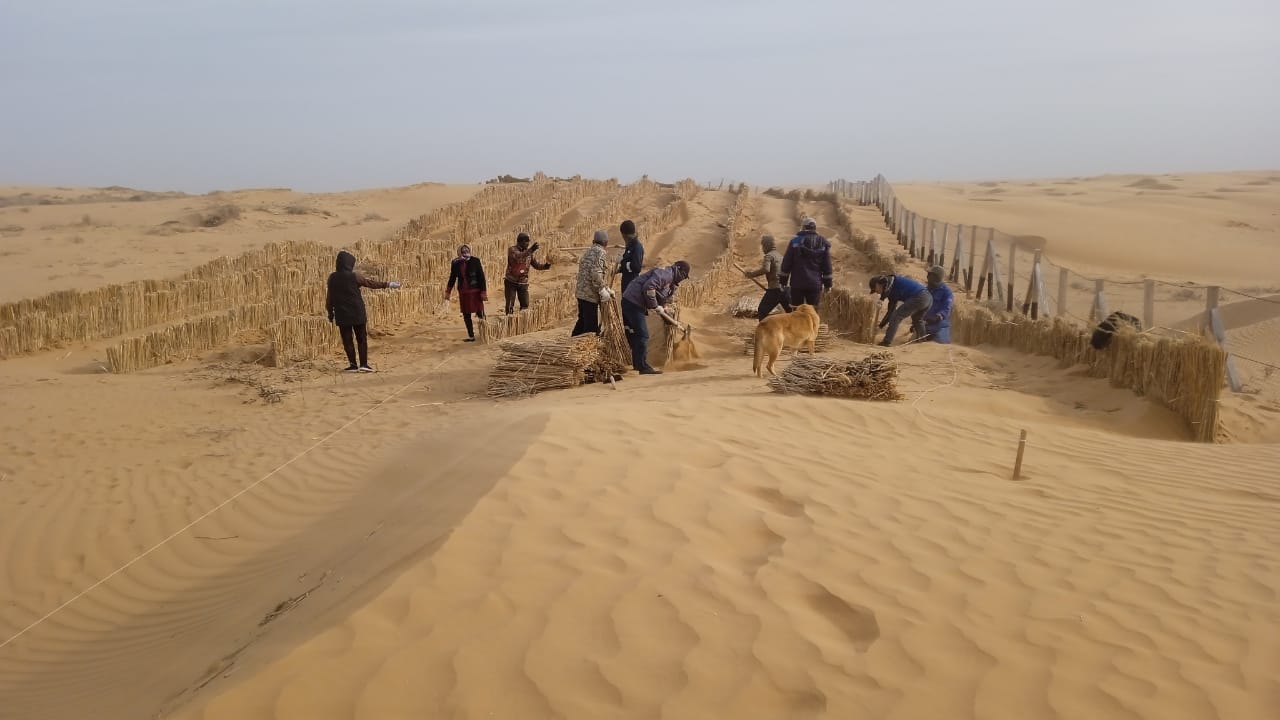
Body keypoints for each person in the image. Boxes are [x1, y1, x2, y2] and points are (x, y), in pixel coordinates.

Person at [326, 249, 401, 372]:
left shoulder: (332, 278)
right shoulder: (354, 276)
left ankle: (352, 365)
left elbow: (329, 299)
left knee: (347, 340)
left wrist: (330, 313)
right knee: (361, 338)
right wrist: (388, 284)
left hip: (342, 314)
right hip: (357, 312)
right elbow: (370, 283)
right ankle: (364, 365)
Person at [620, 260, 691, 375]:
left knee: (637, 335)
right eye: (683, 276)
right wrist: (655, 306)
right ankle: (642, 367)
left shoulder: (671, 282)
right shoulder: (666, 274)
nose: (683, 279)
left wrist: (665, 313)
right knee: (642, 335)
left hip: (635, 302)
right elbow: (649, 288)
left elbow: (662, 298)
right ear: (679, 271)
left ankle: (638, 365)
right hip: (632, 301)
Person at [779, 217, 833, 309]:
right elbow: (827, 266)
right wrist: (828, 284)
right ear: (815, 228)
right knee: (813, 313)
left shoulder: (794, 241)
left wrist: (783, 281)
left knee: (797, 312)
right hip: (815, 284)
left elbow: (786, 263)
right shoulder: (823, 242)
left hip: (797, 284)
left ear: (803, 227)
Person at [870, 273, 932, 347]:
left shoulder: (887, 279)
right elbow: (890, 313)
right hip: (928, 298)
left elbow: (886, 281)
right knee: (917, 319)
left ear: (877, 284)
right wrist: (880, 326)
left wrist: (881, 299)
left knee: (896, 316)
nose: (876, 292)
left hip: (919, 296)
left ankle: (887, 342)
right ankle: (922, 341)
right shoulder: (891, 293)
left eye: (875, 290)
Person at [743, 234, 793, 320]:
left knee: (762, 311)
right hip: (786, 289)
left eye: (762, 246)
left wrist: (751, 274)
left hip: (775, 289)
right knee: (791, 313)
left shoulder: (769, 256)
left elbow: (766, 269)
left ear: (766, 246)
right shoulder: (780, 256)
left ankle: (765, 331)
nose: (762, 249)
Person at [573, 230, 612, 336]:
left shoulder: (587, 252)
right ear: (606, 243)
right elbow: (596, 273)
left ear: (593, 241)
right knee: (590, 328)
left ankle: (571, 344)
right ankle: (584, 349)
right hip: (590, 295)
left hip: (581, 293)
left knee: (582, 322)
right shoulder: (601, 253)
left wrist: (605, 287)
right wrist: (602, 289)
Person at [445, 244, 487, 342]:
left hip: (475, 291)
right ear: (459, 253)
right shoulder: (455, 263)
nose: (465, 253)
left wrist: (483, 292)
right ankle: (471, 336)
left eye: (466, 251)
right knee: (466, 314)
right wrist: (448, 291)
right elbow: (452, 277)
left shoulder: (475, 261)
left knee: (480, 313)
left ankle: (485, 332)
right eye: (463, 251)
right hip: (464, 292)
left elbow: (481, 277)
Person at [503, 232, 551, 314]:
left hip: (523, 283)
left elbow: (535, 265)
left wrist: (545, 266)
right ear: (520, 242)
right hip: (511, 282)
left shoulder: (528, 253)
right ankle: (509, 322)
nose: (528, 244)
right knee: (510, 305)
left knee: (525, 305)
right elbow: (519, 257)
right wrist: (531, 250)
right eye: (527, 242)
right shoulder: (512, 250)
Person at [911, 265, 954, 343]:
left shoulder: (947, 292)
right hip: (925, 326)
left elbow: (946, 309)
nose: (927, 277)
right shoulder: (925, 290)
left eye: (929, 275)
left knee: (938, 347)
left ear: (935, 277)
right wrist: (915, 323)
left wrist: (937, 317)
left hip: (940, 327)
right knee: (913, 343)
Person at [617, 219, 644, 292]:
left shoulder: (637, 247)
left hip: (632, 284)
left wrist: (623, 264)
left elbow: (636, 267)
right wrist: (620, 269)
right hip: (626, 282)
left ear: (625, 235)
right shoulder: (630, 246)